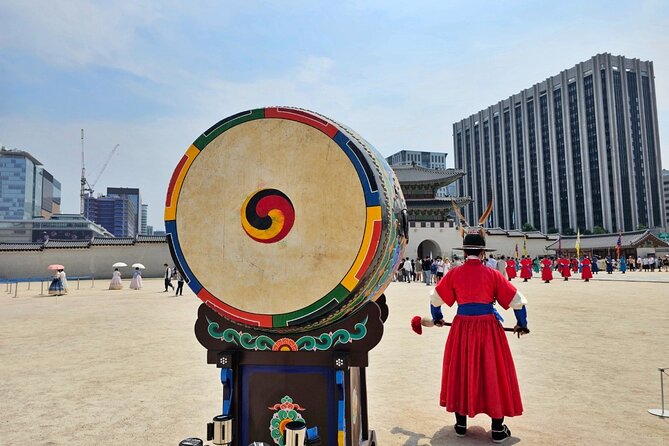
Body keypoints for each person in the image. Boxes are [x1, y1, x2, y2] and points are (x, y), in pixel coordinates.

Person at [428, 233, 529, 443]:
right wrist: (522, 323)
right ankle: (498, 429)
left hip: (462, 328)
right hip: (489, 329)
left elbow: (435, 299)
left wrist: (437, 318)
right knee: (494, 372)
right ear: (483, 253)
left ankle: (460, 425)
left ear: (464, 253)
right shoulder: (492, 275)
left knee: (461, 370)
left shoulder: (454, 274)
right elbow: (517, 301)